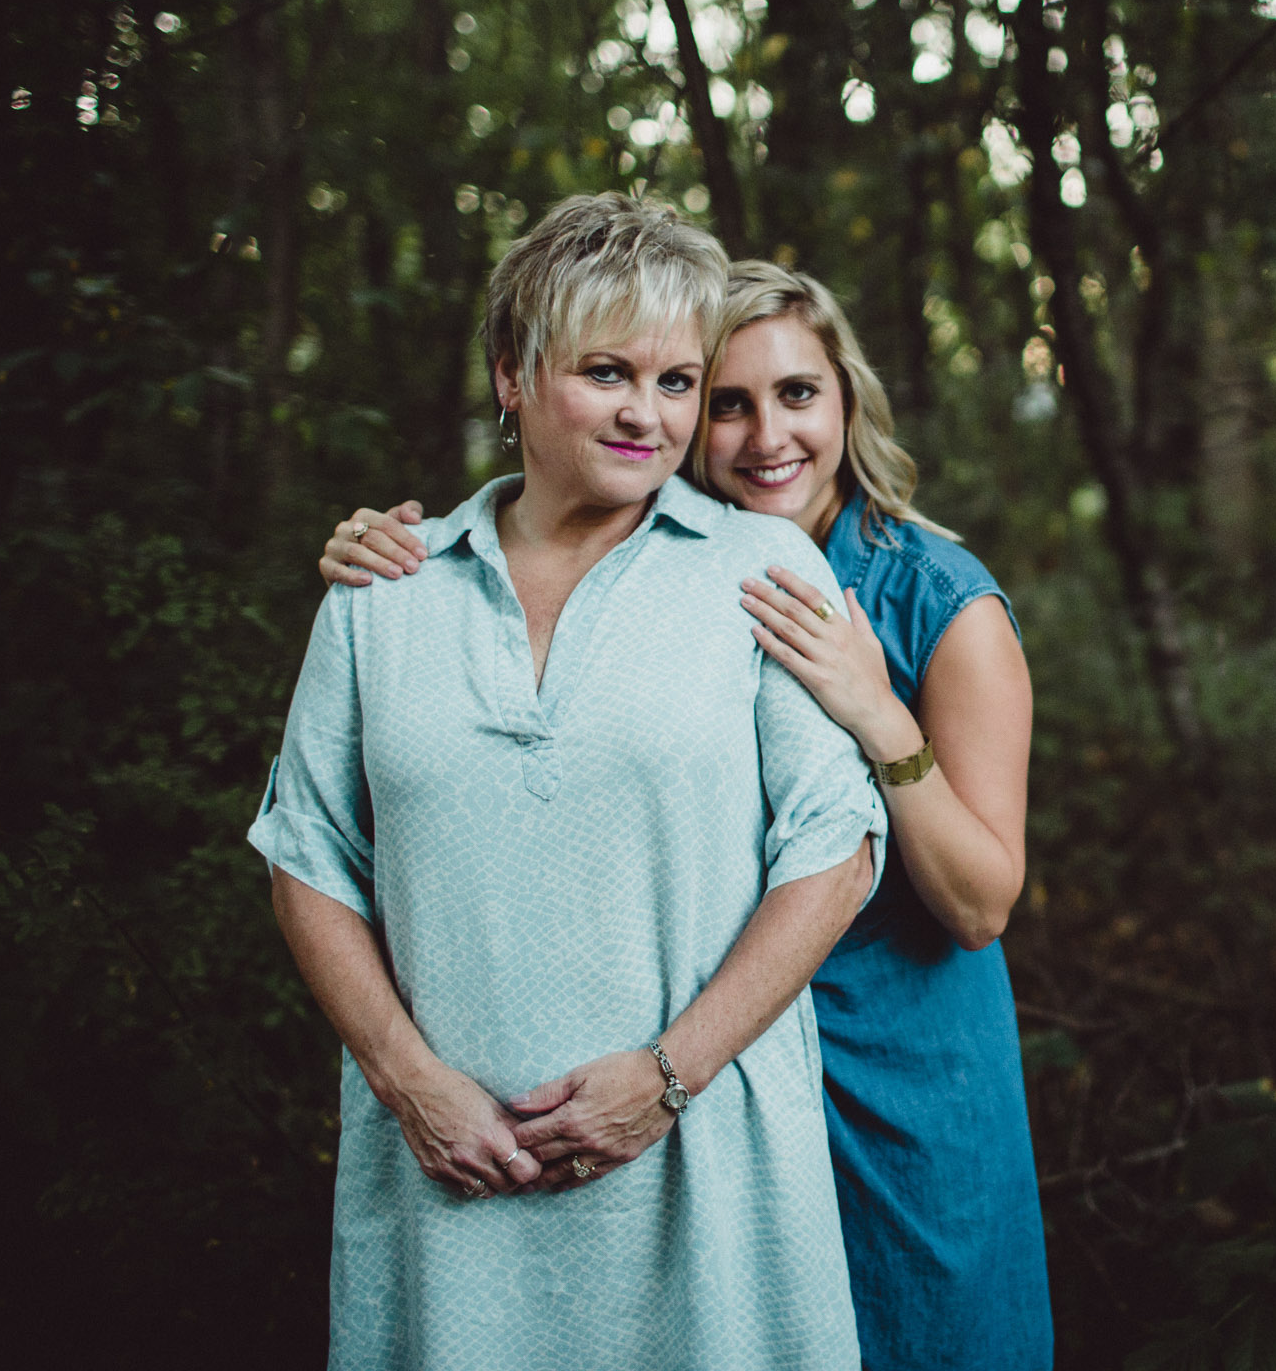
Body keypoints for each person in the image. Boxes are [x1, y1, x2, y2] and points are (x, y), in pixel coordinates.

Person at [321, 260, 1055, 1370]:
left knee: (926, 1332)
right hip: (736, 1058)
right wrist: (389, 552)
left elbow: (982, 903)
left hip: (891, 1054)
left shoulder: (932, 595)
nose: (768, 435)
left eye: (798, 394)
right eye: (726, 400)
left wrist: (875, 710)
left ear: (847, 401)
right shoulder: (684, 563)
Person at [258, 196, 885, 1370]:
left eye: (678, 380)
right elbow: (308, 859)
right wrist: (409, 1082)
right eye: (608, 372)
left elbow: (834, 850)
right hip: (447, 1183)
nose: (649, 414)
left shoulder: (758, 566)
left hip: (703, 1168)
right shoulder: (383, 592)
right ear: (511, 374)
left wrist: (666, 1076)